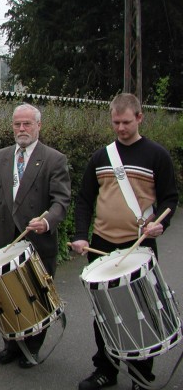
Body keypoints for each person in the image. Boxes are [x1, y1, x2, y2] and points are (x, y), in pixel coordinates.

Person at [71, 93, 178, 390]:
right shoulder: (100, 157)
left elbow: (170, 198)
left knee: (141, 309)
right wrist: (80, 236)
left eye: (126, 122)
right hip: (101, 244)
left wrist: (161, 223)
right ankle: (105, 369)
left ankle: (141, 374)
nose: (120, 128)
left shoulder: (157, 155)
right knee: (104, 311)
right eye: (116, 122)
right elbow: (84, 200)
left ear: (140, 118)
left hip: (139, 246)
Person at [0, 103, 70, 368]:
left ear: (39, 126)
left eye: (27, 123)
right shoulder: (1, 156)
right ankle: (11, 345)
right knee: (7, 297)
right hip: (7, 240)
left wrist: (47, 220)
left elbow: (61, 201)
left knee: (36, 297)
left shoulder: (54, 159)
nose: (21, 129)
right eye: (17, 124)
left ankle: (32, 348)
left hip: (37, 240)